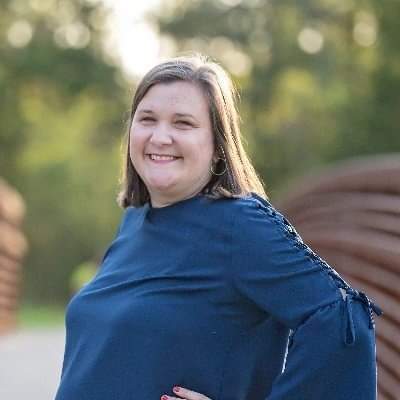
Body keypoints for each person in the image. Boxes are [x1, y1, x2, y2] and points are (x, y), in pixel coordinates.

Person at [54, 54, 382, 400]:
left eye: (183, 123)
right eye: (147, 119)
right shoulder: (134, 222)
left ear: (217, 148)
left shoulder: (241, 224)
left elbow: (342, 322)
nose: (160, 136)